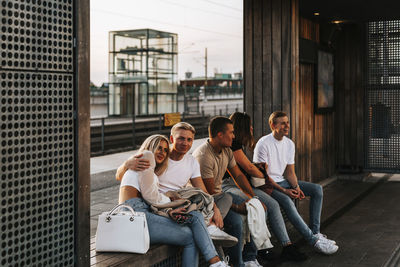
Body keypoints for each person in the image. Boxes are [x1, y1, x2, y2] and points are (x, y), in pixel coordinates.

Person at [116, 122, 237, 245]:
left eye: (189, 140)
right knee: (201, 223)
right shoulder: (160, 156)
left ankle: (210, 228)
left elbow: (202, 190)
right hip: (161, 204)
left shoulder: (191, 161)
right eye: (181, 138)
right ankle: (210, 234)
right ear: (172, 139)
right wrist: (126, 164)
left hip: (178, 200)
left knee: (225, 198)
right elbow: (122, 176)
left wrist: (214, 208)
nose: (185, 143)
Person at [224, 112, 307, 261]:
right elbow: (248, 168)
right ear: (242, 127)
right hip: (231, 186)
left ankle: (282, 246)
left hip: (241, 184)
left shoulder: (237, 145)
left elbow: (246, 170)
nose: (251, 128)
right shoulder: (234, 145)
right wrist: (264, 175)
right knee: (264, 206)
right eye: (249, 125)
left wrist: (262, 173)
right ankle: (260, 251)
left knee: (272, 205)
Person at [253, 111, 338, 255]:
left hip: (283, 181)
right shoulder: (263, 144)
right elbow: (263, 178)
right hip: (268, 186)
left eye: (287, 122)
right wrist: (285, 191)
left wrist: (296, 187)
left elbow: (289, 172)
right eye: (283, 123)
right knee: (287, 201)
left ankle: (316, 232)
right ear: (272, 125)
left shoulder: (289, 144)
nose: (287, 126)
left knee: (317, 189)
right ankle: (313, 241)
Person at [193, 117, 262, 267]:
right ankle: (236, 262)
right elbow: (211, 194)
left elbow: (238, 175)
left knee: (255, 207)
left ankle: (249, 258)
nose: (234, 136)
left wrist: (253, 197)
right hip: (206, 201)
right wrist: (237, 208)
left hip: (221, 198)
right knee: (236, 221)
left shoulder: (227, 151)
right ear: (220, 135)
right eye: (231, 133)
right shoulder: (204, 156)